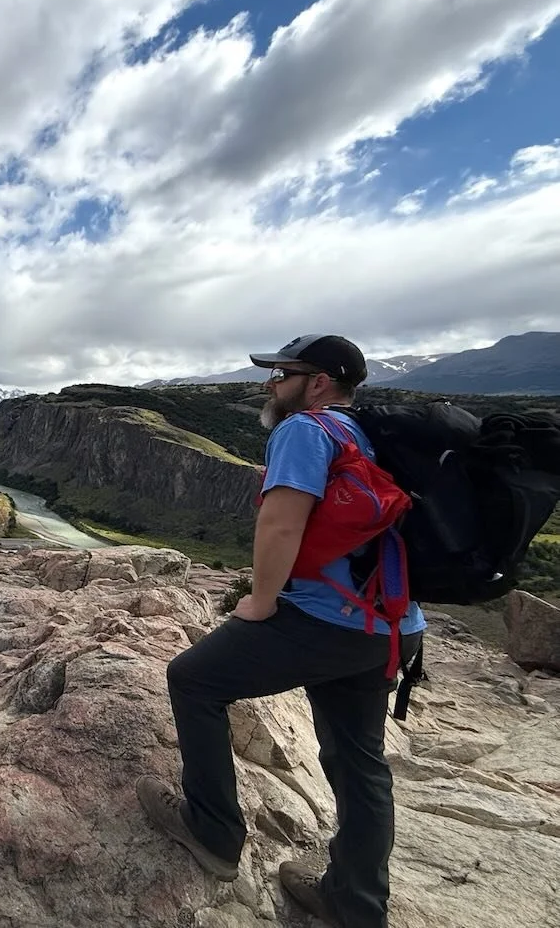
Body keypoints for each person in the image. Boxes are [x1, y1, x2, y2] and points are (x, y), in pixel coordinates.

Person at [135, 334, 426, 928]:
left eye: (281, 373)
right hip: (393, 626)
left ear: (316, 381)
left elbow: (280, 525)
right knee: (360, 763)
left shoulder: (305, 430)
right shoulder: (374, 432)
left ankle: (213, 832)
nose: (270, 384)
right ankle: (355, 905)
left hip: (322, 618)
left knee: (192, 681)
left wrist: (260, 602)